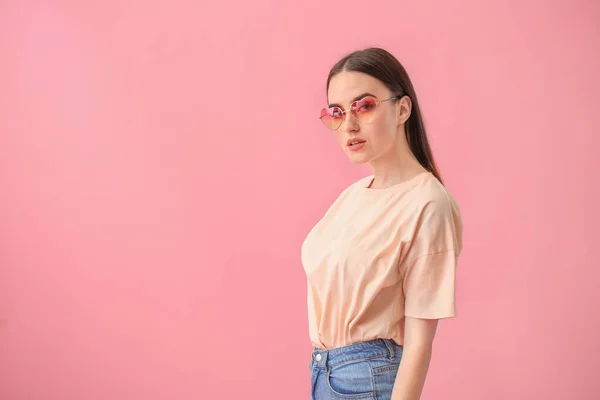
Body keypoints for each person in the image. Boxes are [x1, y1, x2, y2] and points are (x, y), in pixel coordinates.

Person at [301, 47, 463, 400]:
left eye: (365, 106)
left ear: (402, 108)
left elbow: (420, 344)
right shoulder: (352, 196)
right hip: (323, 372)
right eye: (337, 112)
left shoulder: (427, 203)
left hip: (367, 380)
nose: (350, 125)